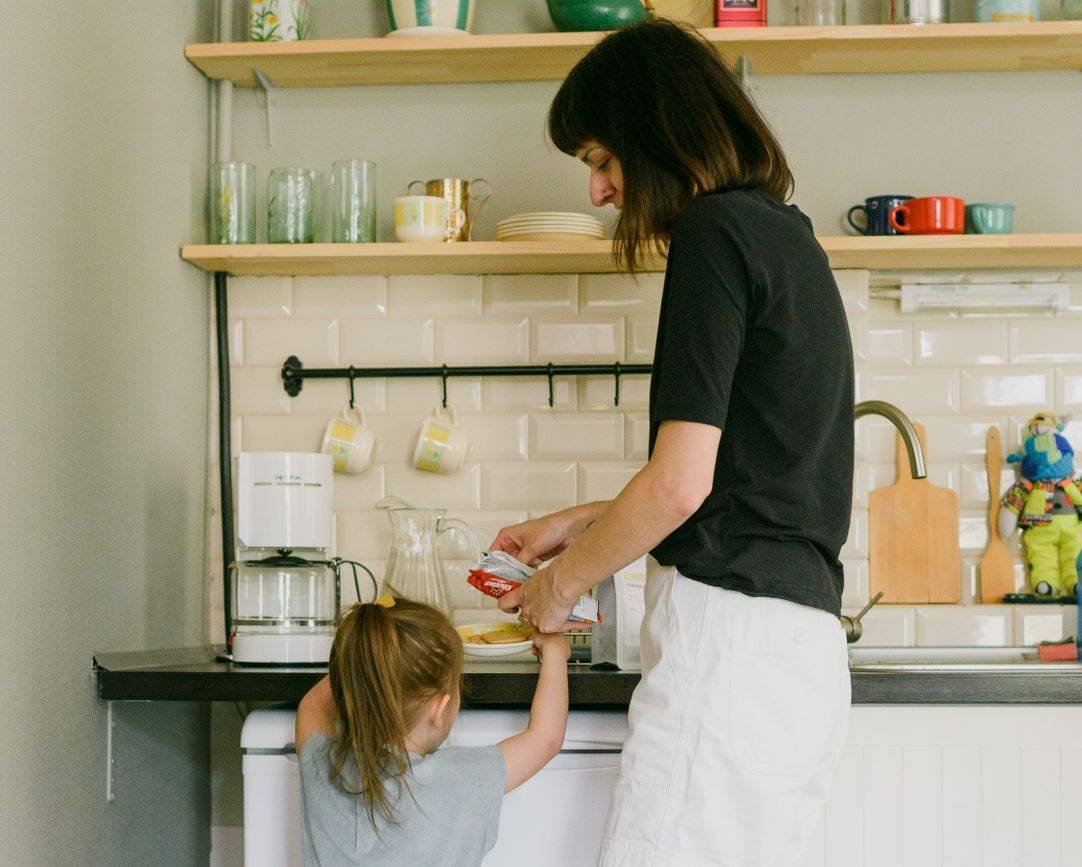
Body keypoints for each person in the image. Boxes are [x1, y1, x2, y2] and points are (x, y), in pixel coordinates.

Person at [489, 18, 854, 867]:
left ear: (656, 135)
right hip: (793, 660)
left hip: (728, 648)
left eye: (602, 160)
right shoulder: (786, 236)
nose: (599, 193)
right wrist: (576, 524)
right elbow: (735, 473)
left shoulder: (712, 235)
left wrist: (559, 584)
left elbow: (680, 487)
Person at [295, 596, 570, 866]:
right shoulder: (463, 778)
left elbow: (312, 705)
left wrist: (365, 663)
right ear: (440, 709)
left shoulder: (322, 766)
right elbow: (545, 737)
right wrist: (556, 652)